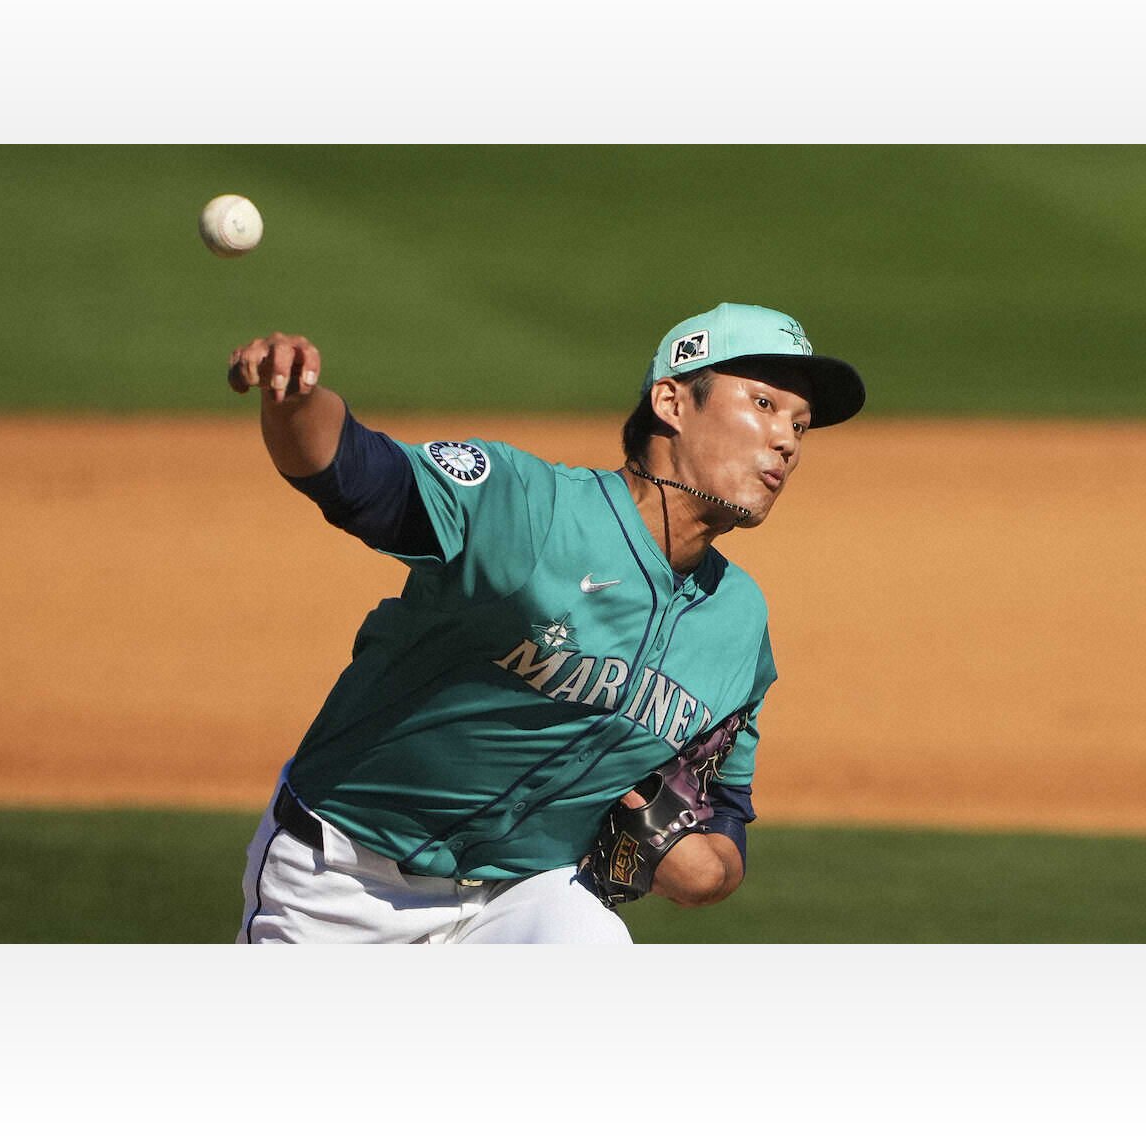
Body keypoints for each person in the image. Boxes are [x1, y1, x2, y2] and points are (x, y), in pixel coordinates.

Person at [229, 302, 865, 944]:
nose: (786, 440)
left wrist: (710, 873)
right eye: (763, 404)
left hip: (524, 892)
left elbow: (724, 810)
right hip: (343, 879)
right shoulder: (527, 508)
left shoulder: (739, 621)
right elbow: (358, 474)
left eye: (800, 424)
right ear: (672, 403)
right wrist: (294, 401)